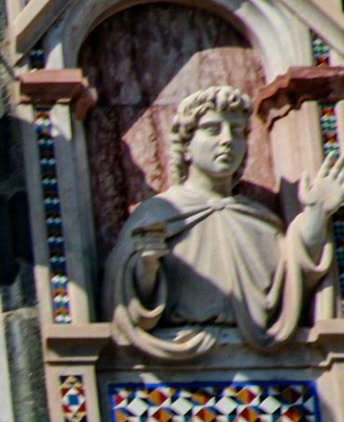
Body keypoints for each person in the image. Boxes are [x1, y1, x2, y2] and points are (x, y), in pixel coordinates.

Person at [105, 84, 344, 360]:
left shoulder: (260, 222)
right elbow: (127, 306)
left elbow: (295, 287)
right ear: (186, 146)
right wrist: (147, 267)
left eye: (237, 131)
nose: (228, 140)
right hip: (175, 363)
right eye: (212, 129)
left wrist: (316, 215)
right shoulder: (157, 215)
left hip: (267, 368)